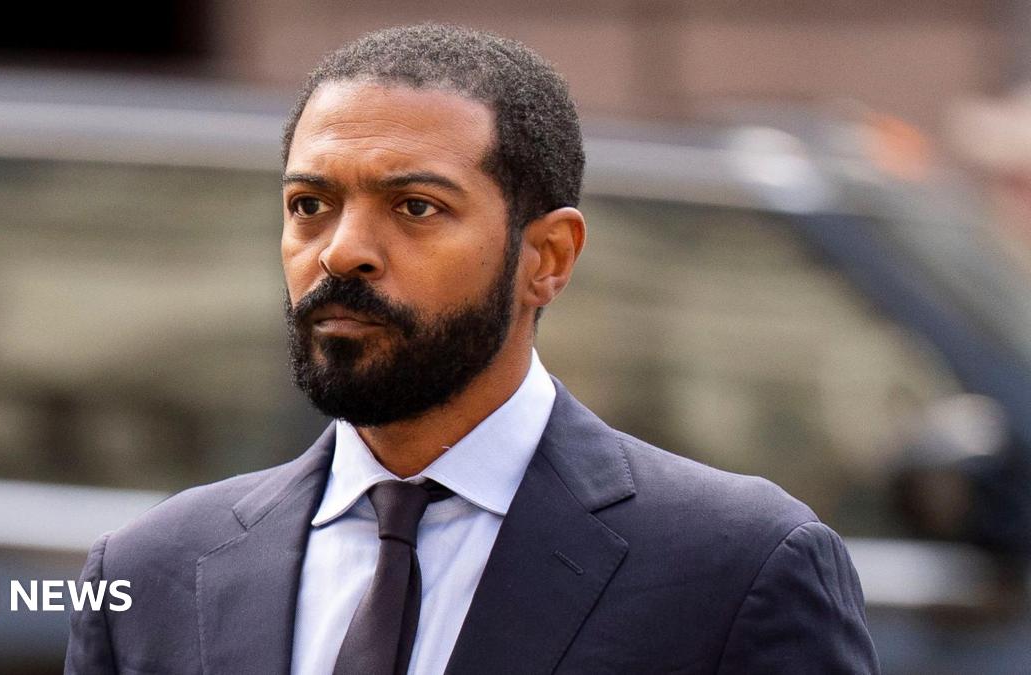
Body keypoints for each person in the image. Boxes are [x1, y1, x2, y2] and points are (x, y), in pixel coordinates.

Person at [65, 24, 878, 674]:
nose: (342, 251)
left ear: (547, 257)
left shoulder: (736, 569)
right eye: (310, 202)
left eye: (414, 206)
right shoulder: (151, 572)